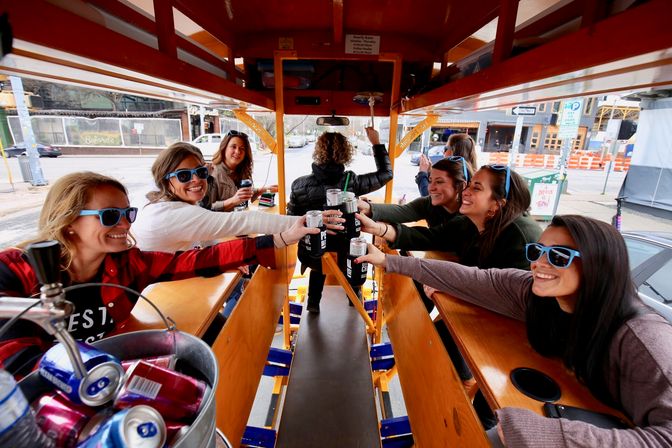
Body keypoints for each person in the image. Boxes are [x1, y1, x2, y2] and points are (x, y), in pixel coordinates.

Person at [356, 215, 672, 446]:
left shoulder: (644, 339)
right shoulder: (536, 295)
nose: (540, 264)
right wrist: (389, 261)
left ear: (600, 266)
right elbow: (473, 279)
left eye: (559, 256)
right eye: (537, 252)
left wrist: (554, 436)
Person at [0, 172, 316, 377]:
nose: (125, 225)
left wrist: (280, 240)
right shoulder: (14, 273)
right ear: (69, 221)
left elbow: (197, 260)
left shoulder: (126, 264)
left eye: (128, 214)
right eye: (111, 216)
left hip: (108, 378)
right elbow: (17, 364)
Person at [132, 142, 342, 252]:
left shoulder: (167, 203)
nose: (196, 180)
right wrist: (309, 221)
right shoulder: (168, 214)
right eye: (184, 175)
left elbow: (202, 233)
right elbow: (244, 220)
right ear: (165, 179)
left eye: (202, 172)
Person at [287, 127, 393, 314]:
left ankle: (313, 302)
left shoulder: (299, 185)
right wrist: (376, 143)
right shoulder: (353, 183)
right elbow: (386, 174)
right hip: (347, 254)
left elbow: (291, 220)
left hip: (312, 255)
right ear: (345, 153)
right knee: (352, 257)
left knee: (318, 265)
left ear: (318, 152)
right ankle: (354, 298)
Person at [360, 165, 541, 270]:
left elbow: (506, 290)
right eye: (469, 186)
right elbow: (430, 238)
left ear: (498, 204)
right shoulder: (467, 222)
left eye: (476, 188)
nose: (466, 192)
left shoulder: (521, 237)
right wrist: (376, 228)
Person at [359, 156, 471, 228]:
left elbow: (429, 237)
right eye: (430, 181)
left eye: (439, 182)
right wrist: (367, 207)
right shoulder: (428, 203)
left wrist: (383, 230)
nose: (430, 188)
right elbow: (402, 211)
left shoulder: (472, 215)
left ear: (460, 186)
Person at [208, 130, 277, 212]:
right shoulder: (212, 173)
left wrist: (261, 190)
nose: (237, 151)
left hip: (240, 220)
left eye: (242, 148)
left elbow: (245, 196)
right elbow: (208, 207)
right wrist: (233, 201)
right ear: (224, 148)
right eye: (233, 147)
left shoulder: (242, 171)